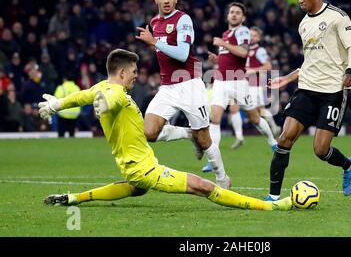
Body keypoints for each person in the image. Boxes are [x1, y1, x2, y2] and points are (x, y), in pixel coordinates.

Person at [38, 49, 292, 211]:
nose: (136, 76)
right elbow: (112, 98)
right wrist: (105, 105)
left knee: (136, 188)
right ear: (122, 72)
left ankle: (74, 198)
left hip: (131, 166)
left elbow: (82, 96)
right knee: (204, 187)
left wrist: (56, 104)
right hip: (146, 169)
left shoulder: (100, 87)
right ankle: (271, 207)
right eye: (134, 72)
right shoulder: (113, 92)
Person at [264, 0, 351, 200]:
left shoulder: (338, 17)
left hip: (333, 91)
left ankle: (348, 165)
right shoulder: (304, 24)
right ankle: (273, 198)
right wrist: (288, 78)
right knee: (285, 138)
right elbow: (310, 61)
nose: (299, 0)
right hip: (307, 89)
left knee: (320, 150)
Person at [135, 0, 230, 188]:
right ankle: (188, 134)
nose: (166, 0)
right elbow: (162, 54)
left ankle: (223, 179)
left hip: (189, 84)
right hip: (168, 87)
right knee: (149, 132)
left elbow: (182, 53)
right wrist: (155, 45)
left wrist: (155, 42)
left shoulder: (183, 19)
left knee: (204, 139)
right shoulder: (155, 22)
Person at [204, 2, 277, 172]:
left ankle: (273, 142)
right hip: (221, 81)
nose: (234, 14)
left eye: (238, 12)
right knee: (214, 118)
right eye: (231, 12)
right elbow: (229, 55)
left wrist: (223, 44)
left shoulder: (242, 31)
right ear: (227, 16)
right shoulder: (226, 33)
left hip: (238, 81)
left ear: (243, 17)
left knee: (254, 117)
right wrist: (217, 59)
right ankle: (213, 159)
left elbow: (243, 52)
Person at [228, 26, 281, 150]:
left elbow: (268, 66)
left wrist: (253, 70)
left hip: (253, 85)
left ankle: (273, 128)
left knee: (257, 112)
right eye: (250, 34)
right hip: (241, 84)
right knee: (236, 107)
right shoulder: (242, 48)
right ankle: (240, 137)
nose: (252, 37)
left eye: (255, 35)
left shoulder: (259, 50)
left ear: (259, 38)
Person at [54, 73, 81, 137]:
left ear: (65, 79)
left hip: (63, 114)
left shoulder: (61, 88)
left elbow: (55, 101)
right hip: (74, 114)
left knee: (61, 135)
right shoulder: (77, 88)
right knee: (72, 135)